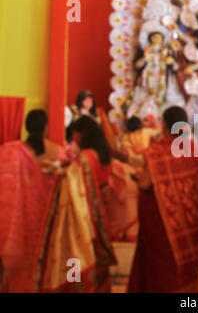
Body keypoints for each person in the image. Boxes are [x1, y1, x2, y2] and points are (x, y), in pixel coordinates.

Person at [127, 106, 198, 292]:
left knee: (161, 264)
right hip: (190, 222)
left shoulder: (156, 153)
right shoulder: (195, 151)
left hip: (163, 223)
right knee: (185, 264)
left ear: (163, 126)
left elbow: (144, 184)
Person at [38, 116, 117, 292]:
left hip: (84, 209)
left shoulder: (85, 156)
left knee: (79, 250)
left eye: (76, 135)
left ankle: (78, 284)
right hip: (100, 208)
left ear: (83, 134)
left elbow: (73, 178)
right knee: (95, 252)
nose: (75, 139)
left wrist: (55, 171)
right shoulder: (103, 154)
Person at [0, 109, 65, 292]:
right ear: (46, 127)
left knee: (22, 267)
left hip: (21, 223)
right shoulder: (58, 152)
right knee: (50, 262)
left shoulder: (10, 151)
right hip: (49, 219)